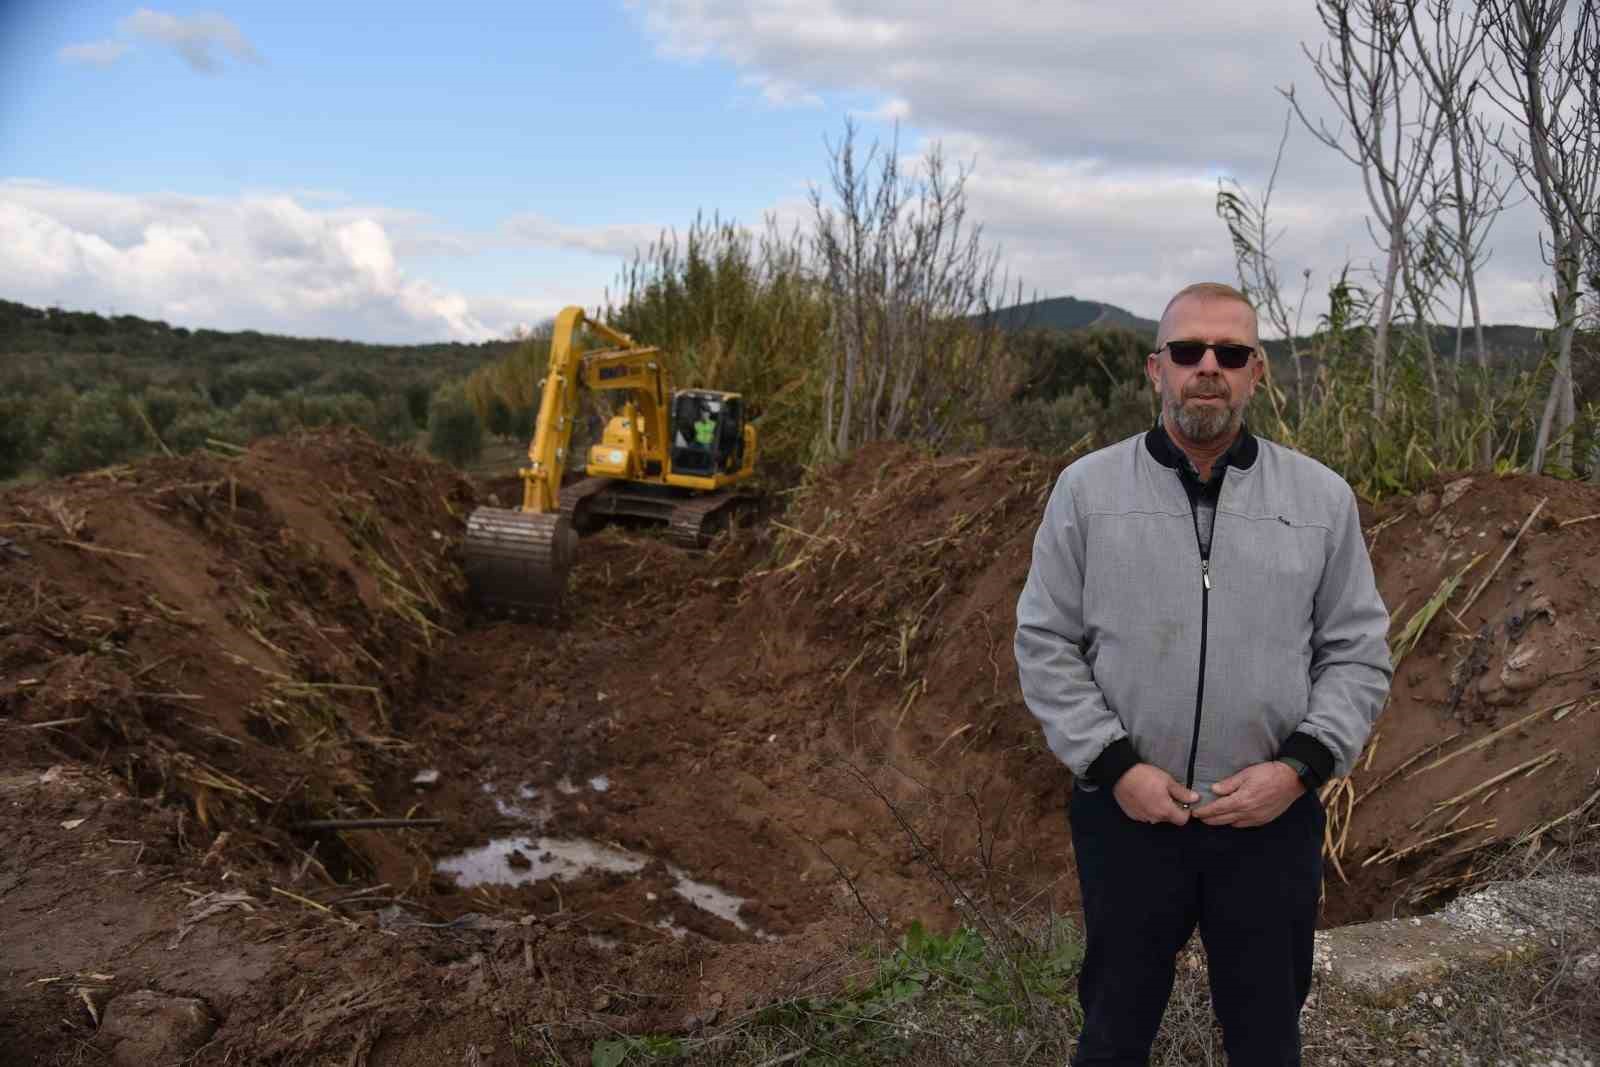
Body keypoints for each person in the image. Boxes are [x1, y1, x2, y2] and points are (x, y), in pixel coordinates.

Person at [1014, 282, 1391, 1066]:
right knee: (1114, 1029)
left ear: (1258, 372)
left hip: (1267, 824)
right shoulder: (1087, 492)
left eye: (1230, 353)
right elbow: (1045, 641)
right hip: (1129, 821)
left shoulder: (1322, 500)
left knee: (1265, 1036)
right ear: (1157, 370)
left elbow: (1357, 651)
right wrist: (1116, 769)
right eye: (1189, 351)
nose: (1208, 367)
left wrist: (1297, 771)